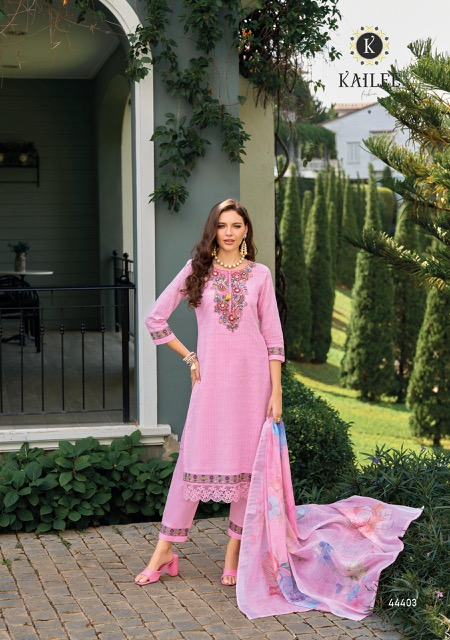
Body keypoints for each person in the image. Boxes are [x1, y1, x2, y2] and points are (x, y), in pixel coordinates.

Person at [135, 198, 284, 587]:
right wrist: (189, 357)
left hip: (254, 383)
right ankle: (164, 550)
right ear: (212, 231)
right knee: (192, 460)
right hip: (212, 381)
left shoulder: (260, 275)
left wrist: (277, 392)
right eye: (222, 225)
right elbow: (155, 318)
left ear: (246, 230)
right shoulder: (197, 271)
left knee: (249, 466)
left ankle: (233, 551)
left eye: (236, 225)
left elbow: (272, 336)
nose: (229, 232)